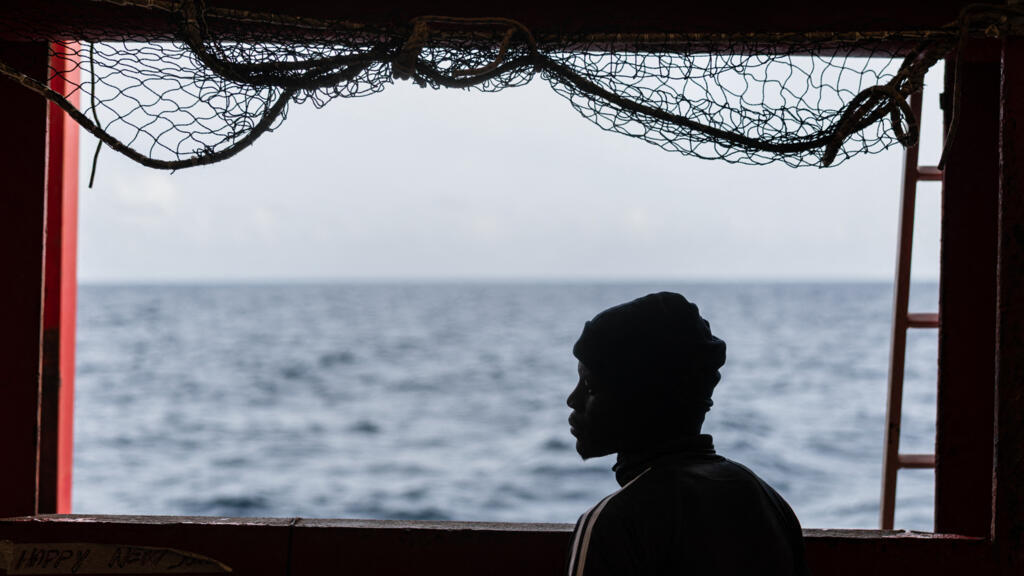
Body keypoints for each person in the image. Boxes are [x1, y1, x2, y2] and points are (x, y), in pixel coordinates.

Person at [566, 292, 809, 576]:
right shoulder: (768, 502)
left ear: (640, 398)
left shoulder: (615, 523)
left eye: (590, 386)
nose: (572, 399)